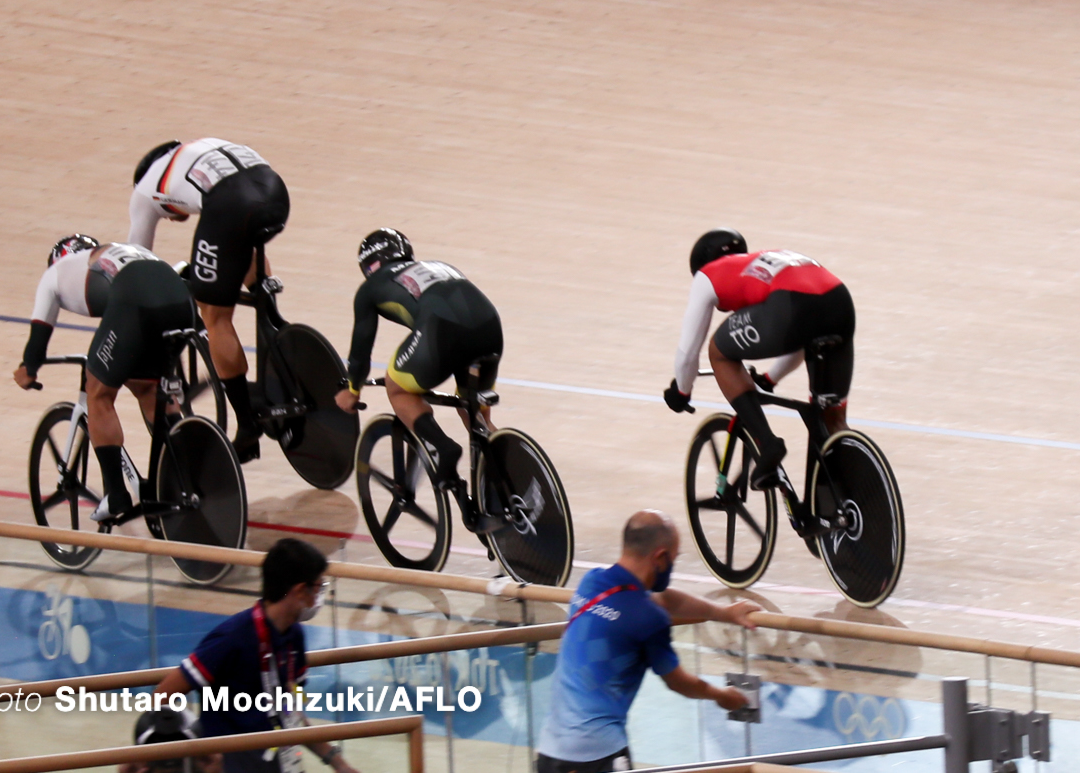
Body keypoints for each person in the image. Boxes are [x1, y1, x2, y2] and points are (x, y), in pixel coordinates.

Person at [537, 512, 759, 773]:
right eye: (674, 559)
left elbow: (664, 599)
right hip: (597, 755)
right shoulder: (647, 617)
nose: (672, 566)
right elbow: (679, 682)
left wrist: (722, 612)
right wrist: (723, 696)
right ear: (660, 557)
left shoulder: (592, 583)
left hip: (549, 752)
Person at [11, 235, 196, 523]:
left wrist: (28, 371)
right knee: (148, 387)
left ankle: (116, 493)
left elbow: (38, 339)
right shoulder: (124, 249)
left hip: (134, 300)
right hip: (182, 302)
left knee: (98, 391)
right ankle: (184, 471)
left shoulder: (54, 273)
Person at [128, 138, 290, 461]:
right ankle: (280, 341)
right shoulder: (201, 147)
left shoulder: (145, 189)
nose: (176, 219)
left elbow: (137, 263)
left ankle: (247, 426)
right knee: (243, 244)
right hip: (275, 193)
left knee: (214, 316)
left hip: (230, 204)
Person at [663, 230, 856, 490]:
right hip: (840, 303)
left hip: (793, 307)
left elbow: (688, 352)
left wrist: (682, 391)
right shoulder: (767, 260)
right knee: (831, 420)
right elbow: (801, 336)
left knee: (719, 352)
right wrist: (770, 378)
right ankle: (847, 500)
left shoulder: (706, 275)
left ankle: (767, 445)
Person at [334, 229, 502, 527]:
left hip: (442, 332)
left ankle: (441, 445)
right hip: (490, 328)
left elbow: (361, 349)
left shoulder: (370, 288)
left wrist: (352, 389)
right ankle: (507, 470)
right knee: (473, 411)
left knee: (397, 387)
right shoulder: (438, 265)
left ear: (368, 266)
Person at [152, 539, 359, 773]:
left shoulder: (294, 637)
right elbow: (162, 695)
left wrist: (338, 762)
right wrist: (200, 752)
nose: (321, 597)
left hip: (279, 764)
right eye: (319, 588)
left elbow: (291, 713)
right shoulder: (232, 637)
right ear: (300, 591)